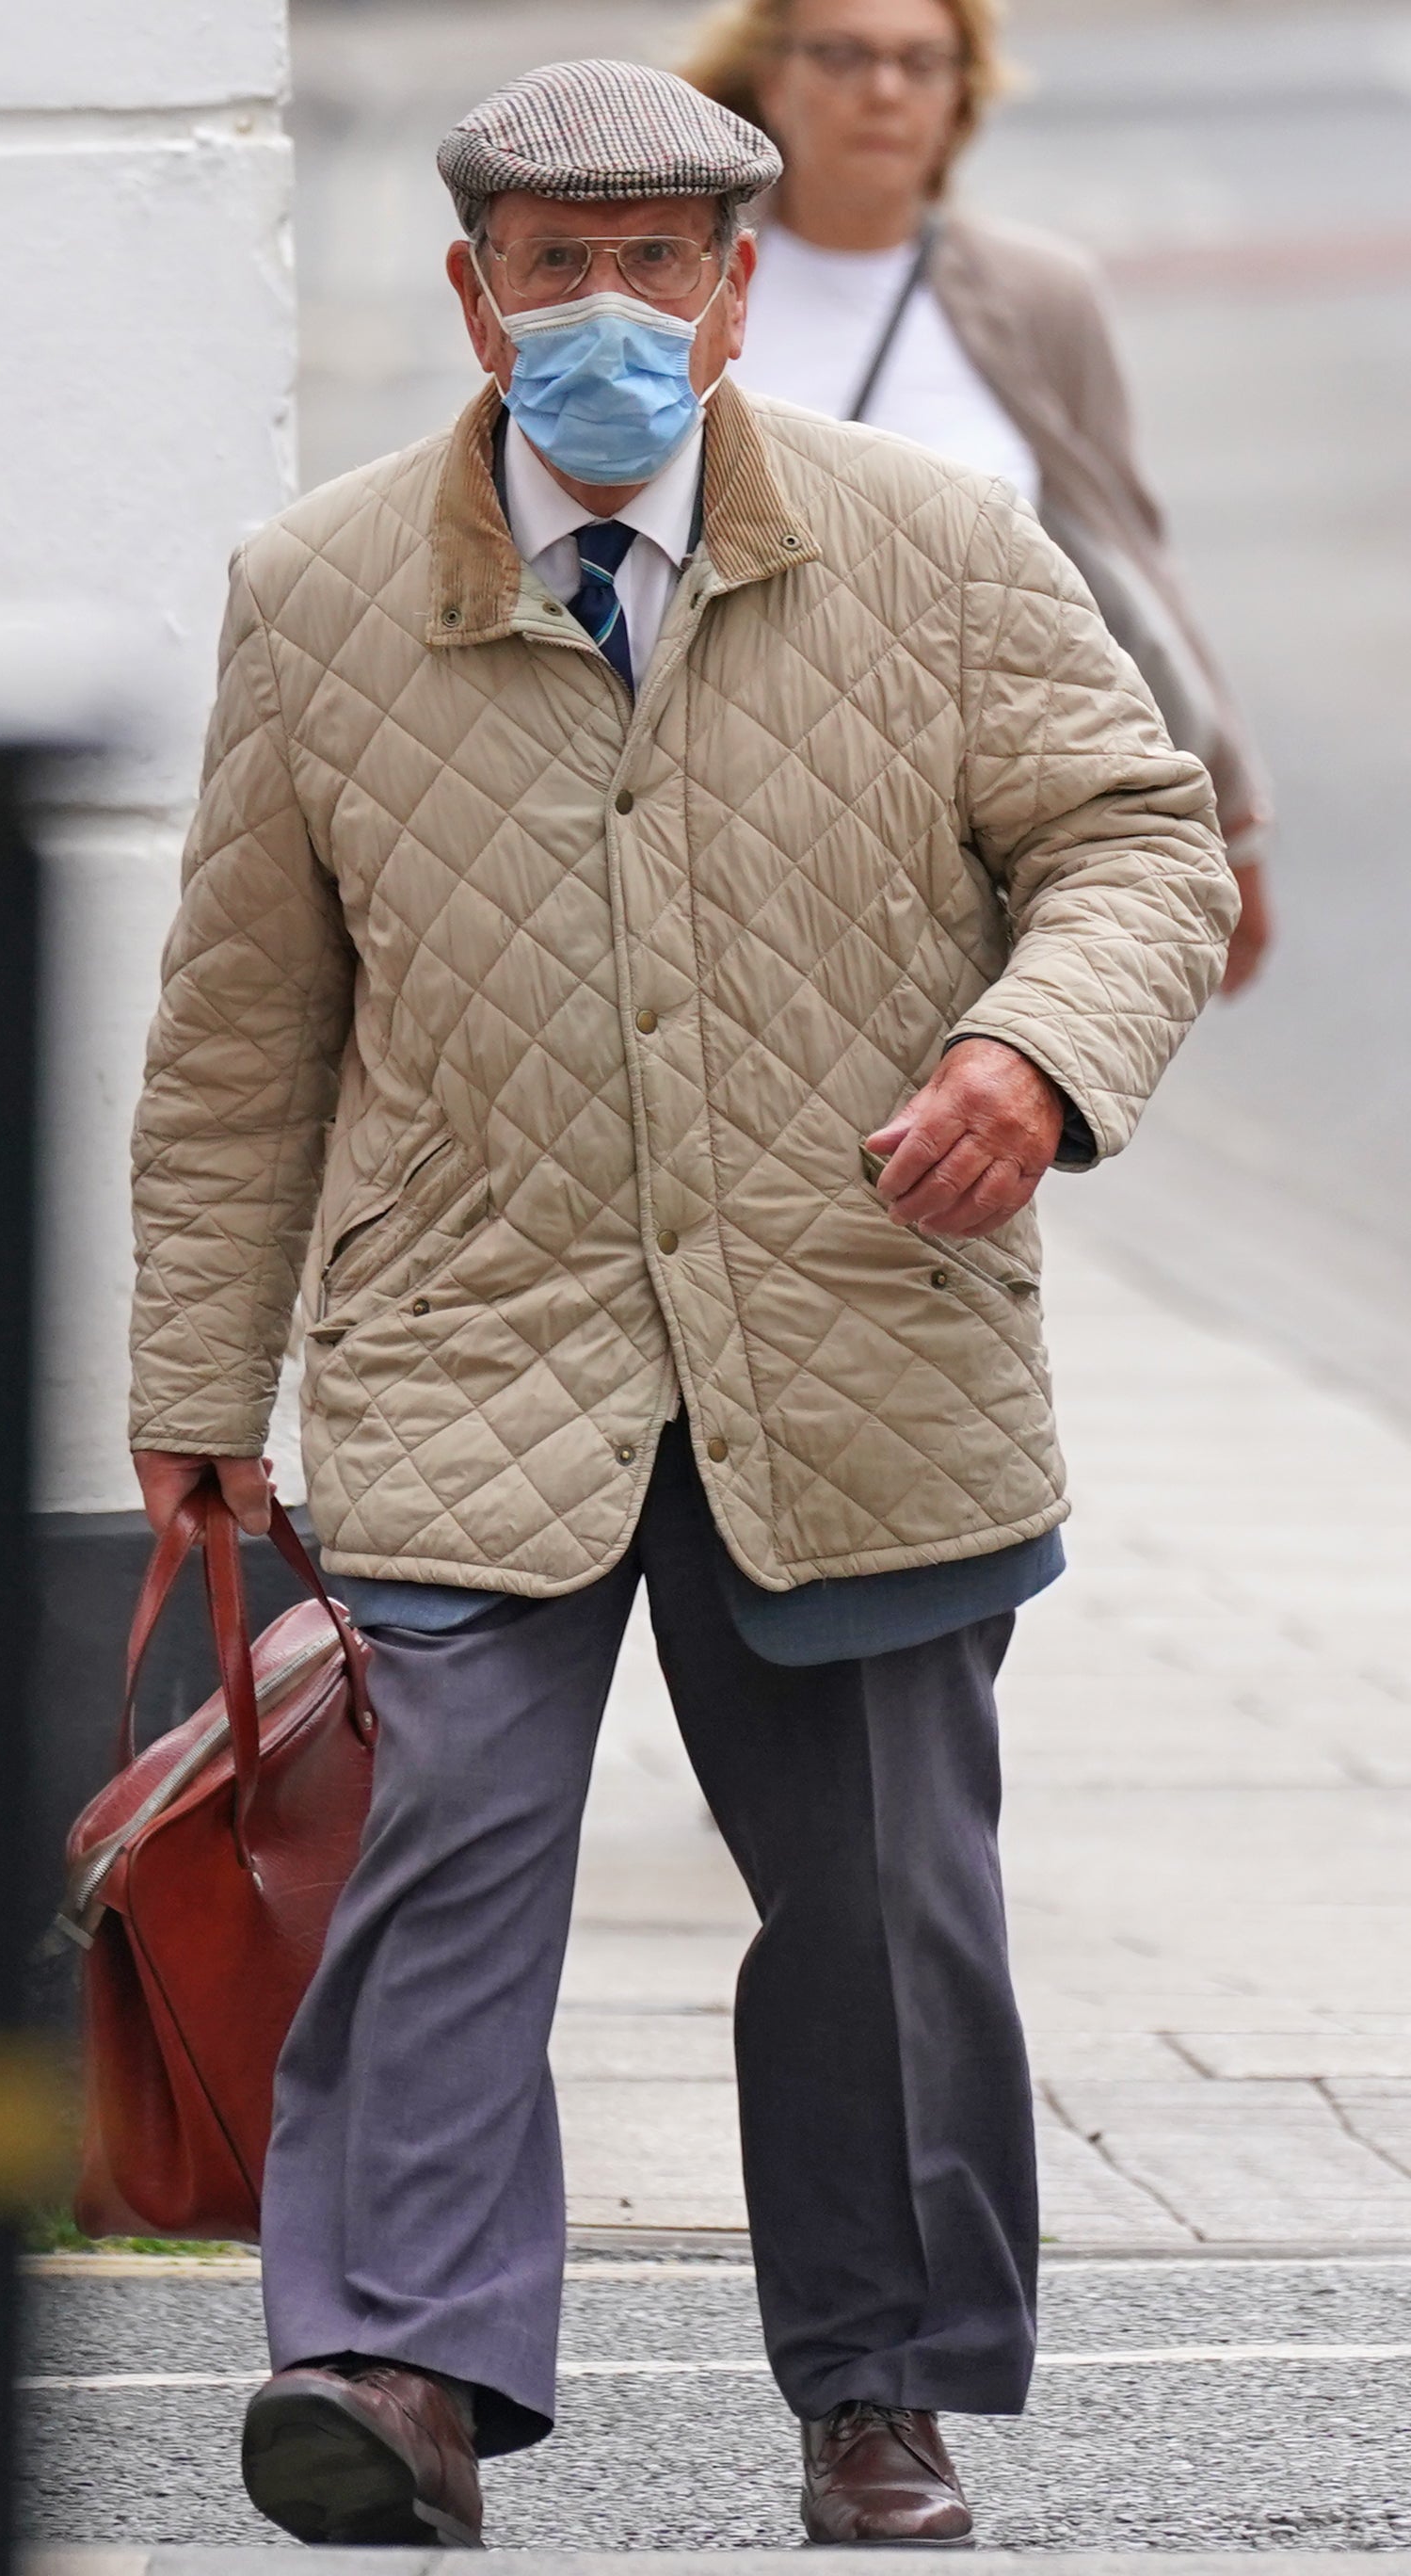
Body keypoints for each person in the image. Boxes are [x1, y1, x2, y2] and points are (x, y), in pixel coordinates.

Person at [126, 57, 1237, 2549]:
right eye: (554, 262)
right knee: (452, 1862)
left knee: (877, 1911)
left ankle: (879, 2394)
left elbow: (1132, 849)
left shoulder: (938, 546)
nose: (605, 308)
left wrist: (1027, 1059)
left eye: (658, 260)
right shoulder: (316, 593)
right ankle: (395, 2378)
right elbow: (239, 1033)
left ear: (736, 294)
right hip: (467, 1351)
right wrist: (198, 1381)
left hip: (856, 1348)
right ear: (470, 291)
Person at [682, 0, 1274, 995]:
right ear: (772, 79)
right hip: (727, 796)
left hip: (969, 814)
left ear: (961, 95)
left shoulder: (1040, 294)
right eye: (842, 56)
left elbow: (1125, 557)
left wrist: (1236, 812)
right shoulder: (687, 278)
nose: (883, 91)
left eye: (922, 62)